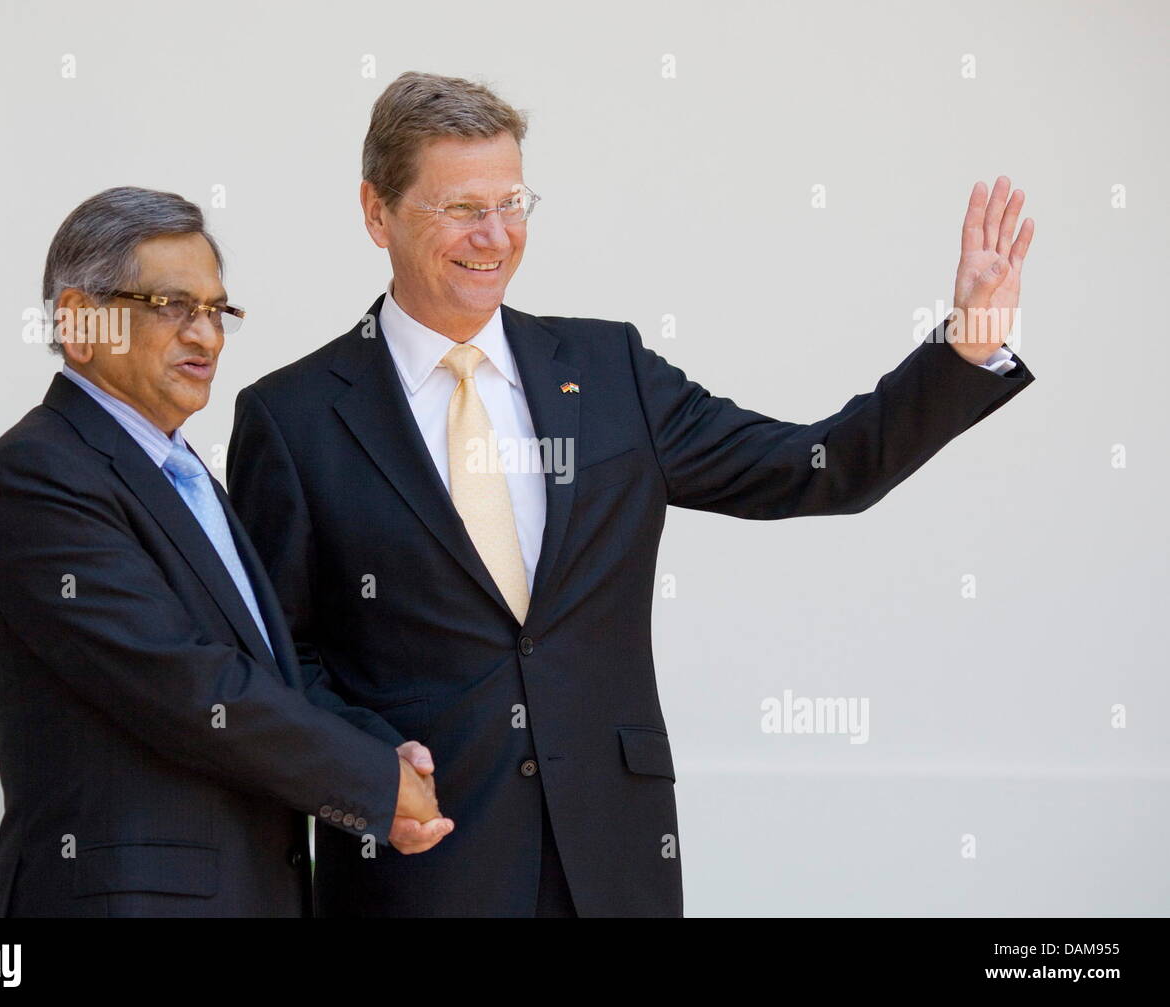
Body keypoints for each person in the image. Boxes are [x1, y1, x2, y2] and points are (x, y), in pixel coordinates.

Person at [228, 72, 1036, 917]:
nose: (495, 236)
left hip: (613, 857)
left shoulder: (610, 372)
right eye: (462, 208)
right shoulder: (292, 417)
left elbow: (817, 466)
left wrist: (963, 350)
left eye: (512, 203)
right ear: (376, 211)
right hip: (419, 868)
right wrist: (369, 768)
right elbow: (278, 661)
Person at [0, 186, 451, 917]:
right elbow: (187, 684)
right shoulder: (37, 475)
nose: (207, 337)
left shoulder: (183, 476)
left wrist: (379, 746)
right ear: (78, 320)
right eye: (170, 307)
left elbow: (263, 674)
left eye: (217, 310)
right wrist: (371, 783)